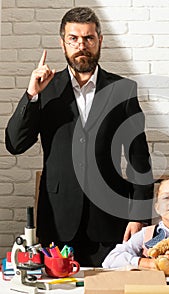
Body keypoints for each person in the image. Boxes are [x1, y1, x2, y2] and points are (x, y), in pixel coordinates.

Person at [5, 7, 153, 266]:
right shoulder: (46, 89)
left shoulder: (123, 90)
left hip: (109, 221)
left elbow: (139, 159)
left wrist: (138, 216)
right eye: (73, 39)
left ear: (99, 41)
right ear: (62, 44)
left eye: (88, 38)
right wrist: (31, 95)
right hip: (58, 221)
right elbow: (15, 144)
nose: (81, 45)